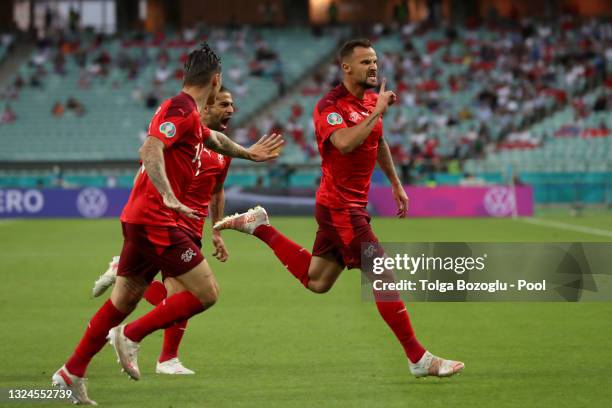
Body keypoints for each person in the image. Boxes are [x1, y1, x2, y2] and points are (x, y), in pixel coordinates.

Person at [214, 39, 464, 379]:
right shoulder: (329, 106)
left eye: (374, 61)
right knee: (383, 274)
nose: (373, 67)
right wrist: (376, 112)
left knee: (317, 281)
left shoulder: (371, 102)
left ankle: (260, 226)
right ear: (346, 68)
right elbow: (345, 143)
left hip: (345, 206)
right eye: (365, 62)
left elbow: (378, 140)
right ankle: (418, 357)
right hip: (340, 206)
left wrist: (395, 182)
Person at [51, 44, 283, 405]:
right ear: (216, 80)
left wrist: (248, 153)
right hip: (157, 218)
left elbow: (215, 140)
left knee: (123, 300)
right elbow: (151, 148)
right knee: (206, 293)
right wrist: (169, 195)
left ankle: (71, 371)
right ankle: (132, 335)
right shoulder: (179, 108)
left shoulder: (189, 113)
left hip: (142, 219)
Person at [91, 87, 236, 375]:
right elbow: (146, 168)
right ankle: (165, 357)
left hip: (191, 225)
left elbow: (217, 192)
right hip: (165, 221)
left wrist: (216, 230)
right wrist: (137, 215)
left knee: (180, 297)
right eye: (223, 103)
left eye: (233, 104)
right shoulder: (180, 139)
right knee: (189, 295)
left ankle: (164, 356)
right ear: (205, 108)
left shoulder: (222, 151)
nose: (230, 109)